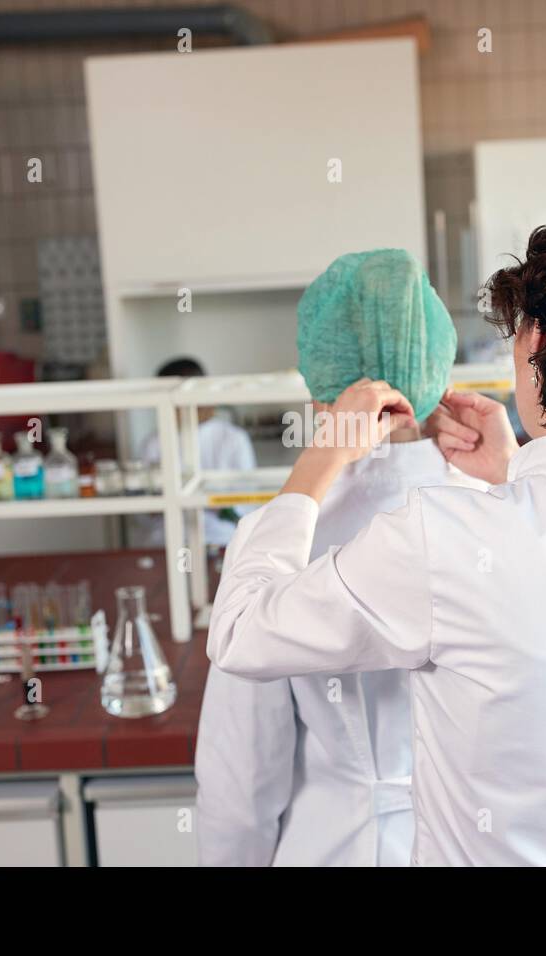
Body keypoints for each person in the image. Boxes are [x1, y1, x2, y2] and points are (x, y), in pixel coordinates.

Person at [207, 194, 546, 866]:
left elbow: (241, 632)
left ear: (539, 338)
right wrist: (513, 474)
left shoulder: (443, 538)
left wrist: (319, 459)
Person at [195, 249, 483, 866]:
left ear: (321, 387)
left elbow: (240, 780)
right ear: (438, 369)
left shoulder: (280, 538)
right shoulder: (500, 514)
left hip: (330, 846)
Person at [136, 357, 255, 548]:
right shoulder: (154, 442)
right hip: (168, 541)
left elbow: (249, 500)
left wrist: (219, 504)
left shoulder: (233, 438)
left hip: (222, 539)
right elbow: (146, 508)